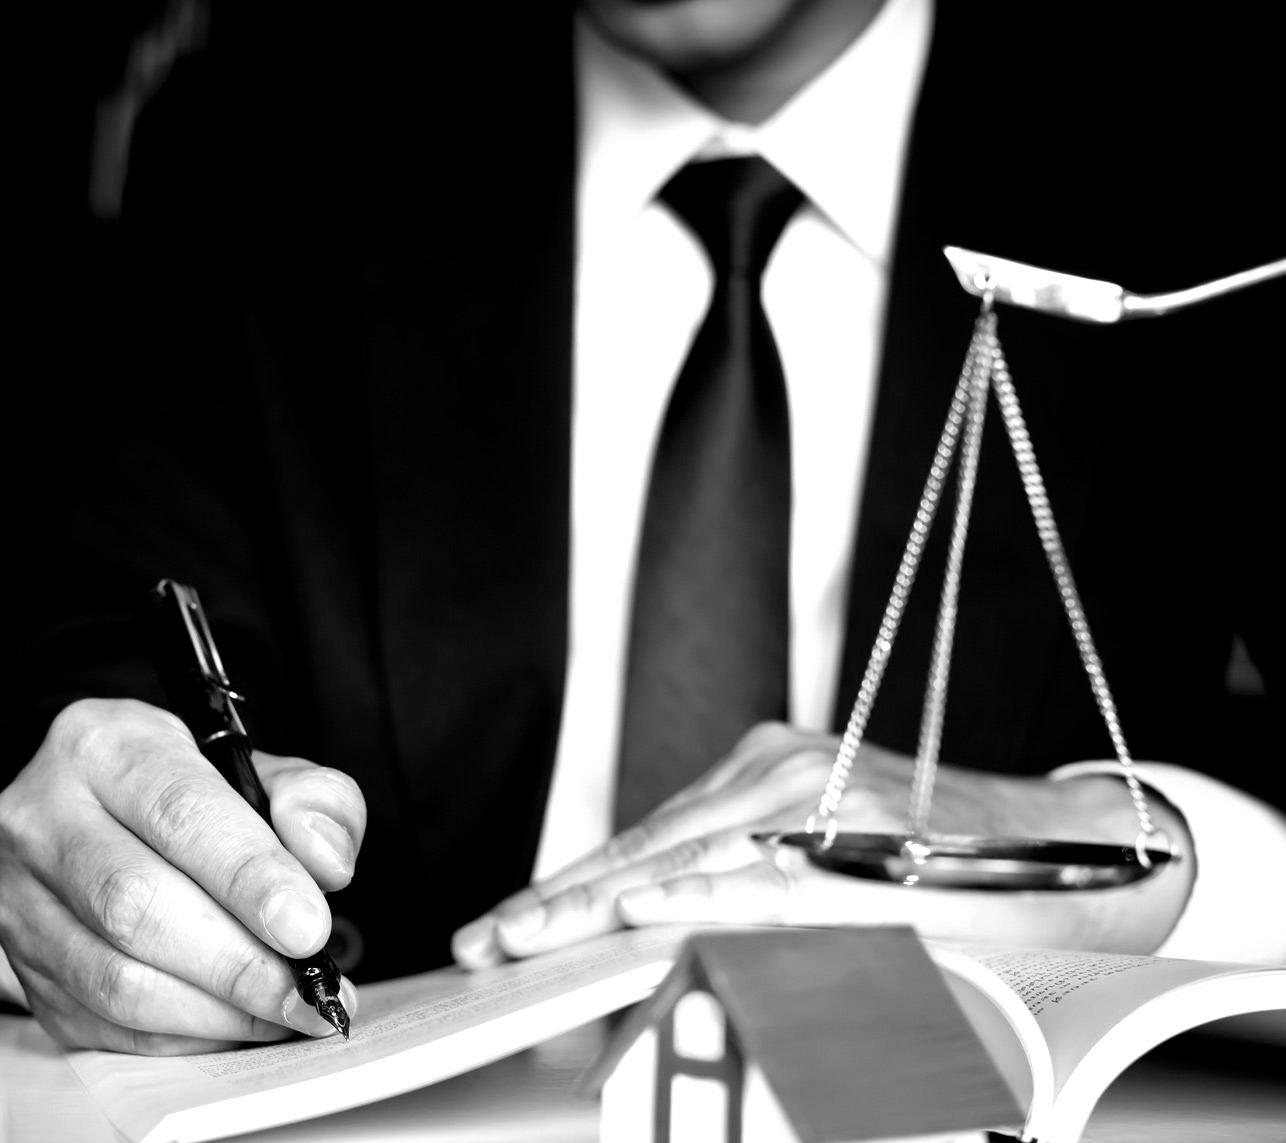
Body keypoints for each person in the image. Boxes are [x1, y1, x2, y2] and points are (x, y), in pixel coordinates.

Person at [1, 0, 1282, 1055]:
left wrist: (1142, 859)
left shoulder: (1207, 158)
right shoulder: (264, 137)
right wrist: (109, 857)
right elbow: (101, 647)